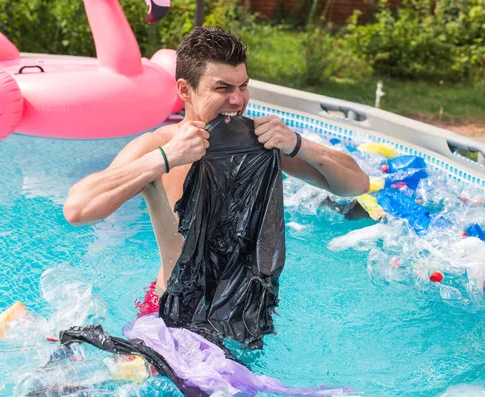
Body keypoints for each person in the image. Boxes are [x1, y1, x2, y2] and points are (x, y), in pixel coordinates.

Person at [63, 26, 370, 310]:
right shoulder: (158, 148)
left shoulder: (260, 141)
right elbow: (78, 209)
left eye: (243, 86)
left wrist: (298, 143)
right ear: (185, 90)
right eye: (223, 88)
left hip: (244, 315)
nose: (237, 100)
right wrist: (167, 156)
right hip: (175, 315)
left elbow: (356, 184)